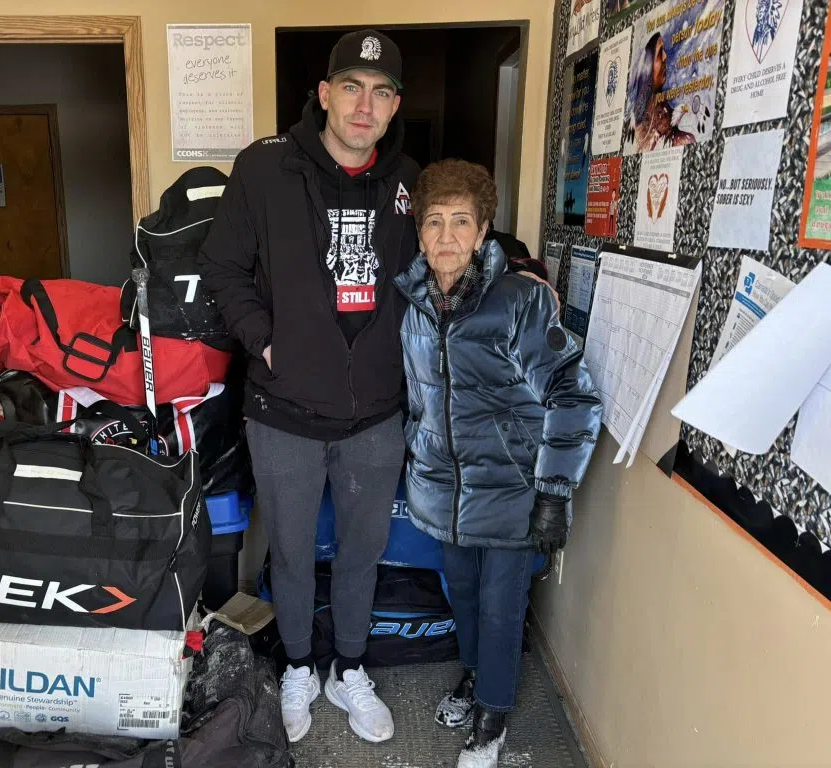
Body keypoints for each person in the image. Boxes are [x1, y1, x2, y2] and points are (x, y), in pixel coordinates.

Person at [199, 28, 552, 745]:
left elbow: (452, 247)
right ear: (325, 94)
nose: (365, 106)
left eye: (382, 92)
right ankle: (300, 666)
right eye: (352, 88)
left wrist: (513, 271)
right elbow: (224, 270)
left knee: (363, 552)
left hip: (375, 415)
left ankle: (349, 669)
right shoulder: (265, 170)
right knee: (294, 552)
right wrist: (264, 339)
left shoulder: (409, 181)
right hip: (283, 409)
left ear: (395, 107)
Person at [394, 159, 602, 768]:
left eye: (462, 222)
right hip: (443, 487)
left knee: (501, 603)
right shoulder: (415, 305)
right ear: (420, 233)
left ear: (484, 232)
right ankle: (477, 674)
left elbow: (573, 392)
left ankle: (493, 719)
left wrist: (555, 491)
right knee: (459, 591)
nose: (447, 237)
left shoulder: (520, 302)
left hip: (512, 487)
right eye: (434, 222)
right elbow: (418, 394)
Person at [629, 32, 696, 152]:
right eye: (660, 53)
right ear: (648, 66)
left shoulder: (664, 107)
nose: (665, 57)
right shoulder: (641, 124)